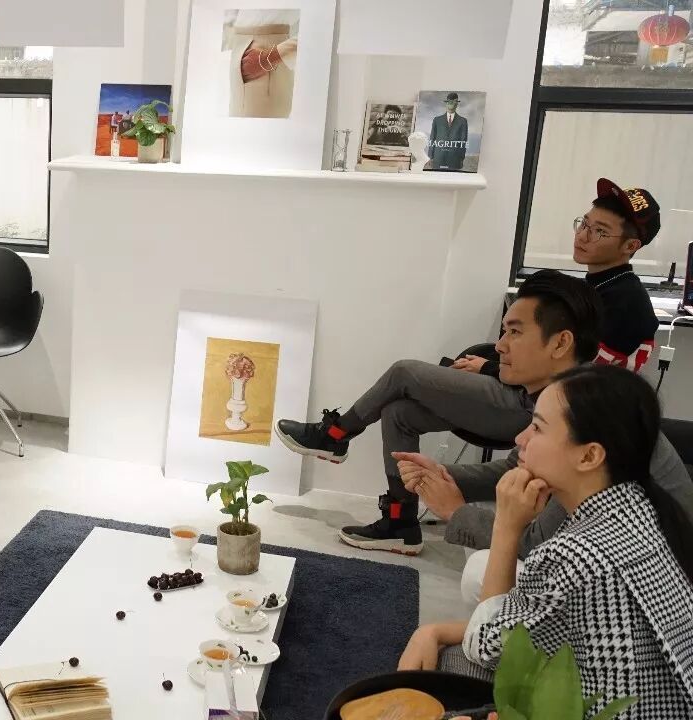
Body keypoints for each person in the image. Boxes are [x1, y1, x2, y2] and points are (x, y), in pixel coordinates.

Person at [398, 366, 693, 718]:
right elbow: (539, 622)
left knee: (452, 665)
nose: (520, 438)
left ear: (589, 456)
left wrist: (507, 525)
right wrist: (437, 630)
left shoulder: (575, 554)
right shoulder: (643, 509)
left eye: (537, 428)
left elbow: (486, 645)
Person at [277, 270, 602, 555]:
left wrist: (455, 510)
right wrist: (432, 477)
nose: (500, 345)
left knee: (404, 372)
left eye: (514, 332)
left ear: (561, 344)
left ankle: (335, 435)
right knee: (399, 411)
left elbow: (532, 546)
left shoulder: (588, 423)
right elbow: (513, 471)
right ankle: (399, 521)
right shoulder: (563, 401)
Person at [453, 178, 661, 376]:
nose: (582, 236)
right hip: (539, 386)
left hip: (559, 397)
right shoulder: (599, 286)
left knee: (438, 379)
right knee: (468, 359)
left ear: (630, 246)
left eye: (599, 231)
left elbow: (569, 373)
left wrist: (489, 368)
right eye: (584, 224)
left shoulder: (625, 303)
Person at [426, 92, 468, 170]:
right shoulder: (437, 120)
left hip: (455, 160)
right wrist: (430, 157)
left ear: (457, 104)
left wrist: (461, 158)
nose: (452, 104)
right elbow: (432, 139)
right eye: (450, 102)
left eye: (454, 102)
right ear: (446, 103)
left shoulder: (463, 121)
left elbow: (463, 142)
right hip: (438, 158)